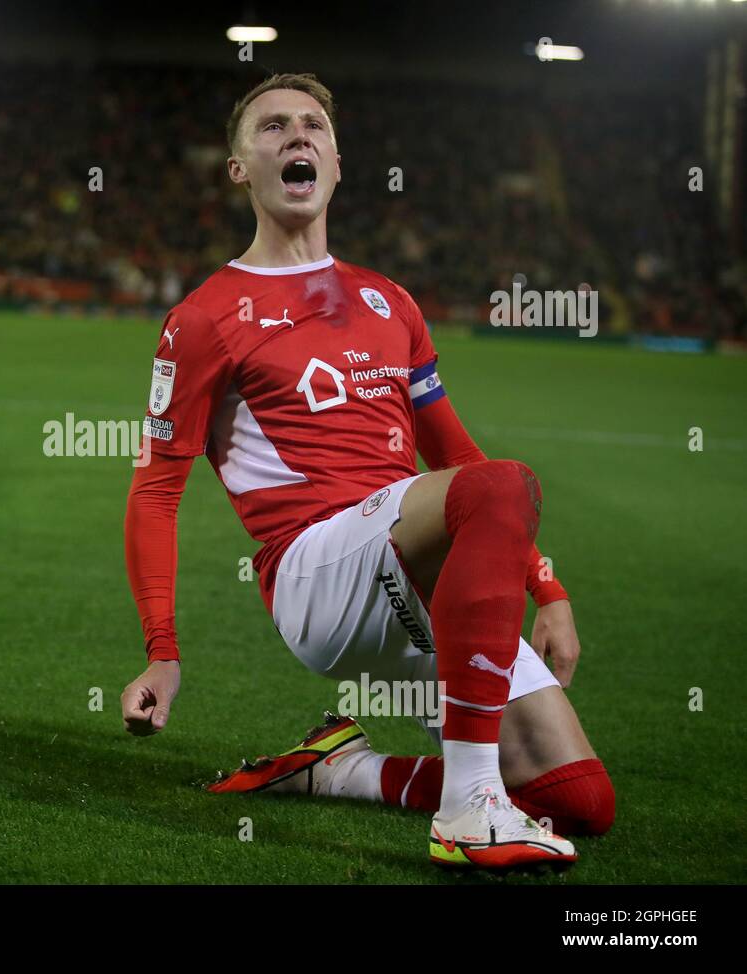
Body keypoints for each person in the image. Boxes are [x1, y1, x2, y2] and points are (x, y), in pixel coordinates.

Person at [121, 73, 613, 870]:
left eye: (312, 124)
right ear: (239, 168)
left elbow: (455, 453)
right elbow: (155, 490)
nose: (296, 136)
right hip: (317, 570)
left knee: (580, 799)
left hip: (420, 565)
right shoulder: (205, 318)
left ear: (338, 161)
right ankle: (471, 810)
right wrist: (163, 650)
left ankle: (344, 770)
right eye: (272, 126)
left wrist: (546, 588)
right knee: (503, 485)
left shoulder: (389, 301)